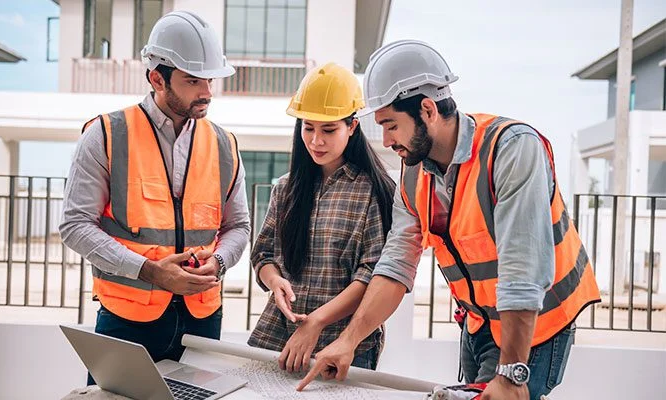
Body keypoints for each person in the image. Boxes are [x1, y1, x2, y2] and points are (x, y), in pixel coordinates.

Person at [298, 40, 601, 400]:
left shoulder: (512, 149)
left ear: (427, 110)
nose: (386, 139)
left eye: (391, 125)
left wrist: (511, 374)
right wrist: (348, 341)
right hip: (478, 324)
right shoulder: (413, 175)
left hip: (535, 324)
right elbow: (396, 265)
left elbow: (523, 269)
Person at [59, 10, 250, 381]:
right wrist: (150, 272)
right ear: (156, 78)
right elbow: (75, 226)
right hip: (127, 323)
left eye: (210, 79)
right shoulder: (106, 134)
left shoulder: (224, 144)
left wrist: (221, 262)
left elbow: (239, 226)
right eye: (193, 80)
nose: (207, 91)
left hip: (203, 321)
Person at [248, 63, 396, 373]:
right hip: (279, 337)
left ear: (352, 127)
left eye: (329, 130)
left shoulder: (374, 192)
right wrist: (275, 282)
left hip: (343, 346)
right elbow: (262, 255)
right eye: (308, 128)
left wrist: (317, 321)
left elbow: (371, 275)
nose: (316, 141)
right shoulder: (286, 188)